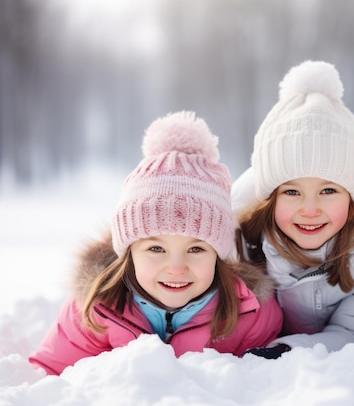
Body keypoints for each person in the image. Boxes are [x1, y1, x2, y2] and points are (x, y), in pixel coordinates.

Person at [29, 111, 283, 375]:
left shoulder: (249, 312)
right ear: (129, 253)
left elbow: (263, 384)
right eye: (156, 249)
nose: (176, 267)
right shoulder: (95, 309)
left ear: (218, 255)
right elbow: (51, 377)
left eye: (195, 249)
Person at [233, 60, 354, 359]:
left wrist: (287, 350)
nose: (310, 209)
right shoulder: (236, 239)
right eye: (292, 192)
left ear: (353, 197)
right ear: (269, 199)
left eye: (328, 191)